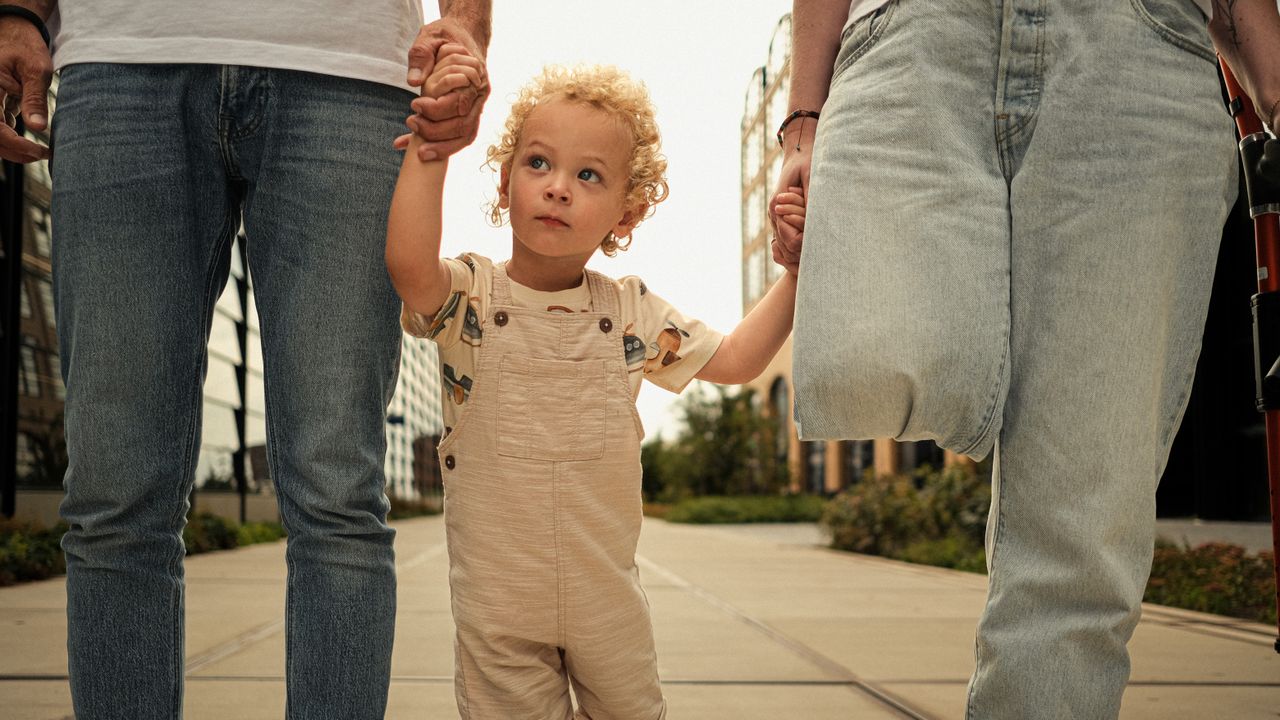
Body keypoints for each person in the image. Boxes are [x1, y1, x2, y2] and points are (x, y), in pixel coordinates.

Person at [0, 1, 491, 718]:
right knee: (114, 496)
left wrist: (470, 29)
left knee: (338, 494)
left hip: (347, 66)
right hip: (121, 56)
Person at [770, 1, 1251, 718]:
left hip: (1135, 50)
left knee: (1078, 533)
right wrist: (803, 120)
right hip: (920, 37)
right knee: (869, 363)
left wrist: (1267, 78)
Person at [387, 59, 806, 719]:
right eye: (538, 164)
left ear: (625, 214)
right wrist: (432, 151)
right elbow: (409, 267)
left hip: (607, 607)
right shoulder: (471, 299)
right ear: (503, 183)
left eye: (588, 176)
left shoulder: (632, 315)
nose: (558, 189)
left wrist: (795, 274)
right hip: (499, 607)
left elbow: (735, 360)